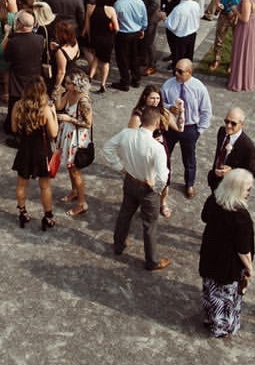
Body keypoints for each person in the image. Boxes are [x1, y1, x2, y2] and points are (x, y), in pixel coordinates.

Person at [104, 105, 171, 271]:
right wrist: (156, 187)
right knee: (149, 225)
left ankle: (118, 245)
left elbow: (107, 148)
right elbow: (163, 176)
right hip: (147, 189)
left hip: (130, 180)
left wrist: (120, 167)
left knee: (125, 214)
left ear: (141, 120)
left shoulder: (127, 133)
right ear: (156, 123)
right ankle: (152, 261)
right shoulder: (157, 148)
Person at [199, 168, 255, 339]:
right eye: (248, 189)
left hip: (210, 253)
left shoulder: (213, 199)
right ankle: (221, 328)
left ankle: (210, 317)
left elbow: (204, 217)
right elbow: (243, 250)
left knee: (211, 290)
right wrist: (250, 269)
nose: (250, 192)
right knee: (225, 298)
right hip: (227, 264)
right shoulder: (240, 216)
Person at [11, 80, 59, 231]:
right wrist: (55, 114)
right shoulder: (45, 110)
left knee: (21, 184)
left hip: (25, 150)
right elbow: (54, 133)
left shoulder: (18, 105)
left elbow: (13, 128)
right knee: (45, 186)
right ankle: (48, 216)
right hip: (42, 151)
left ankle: (23, 213)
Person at [162, 58, 213, 198]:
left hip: (190, 128)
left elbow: (206, 111)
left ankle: (189, 184)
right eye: (175, 70)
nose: (176, 73)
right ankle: (164, 181)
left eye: (180, 71)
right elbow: (161, 103)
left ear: (189, 72)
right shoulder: (168, 85)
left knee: (189, 158)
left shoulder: (199, 88)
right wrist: (169, 108)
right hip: (171, 126)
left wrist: (199, 130)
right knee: (164, 155)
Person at [128, 85, 180, 218]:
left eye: (158, 98)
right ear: (145, 97)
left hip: (162, 149)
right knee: (146, 178)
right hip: (145, 152)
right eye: (152, 98)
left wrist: (181, 113)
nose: (155, 101)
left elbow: (179, 128)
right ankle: (143, 202)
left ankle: (163, 203)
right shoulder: (138, 114)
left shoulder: (162, 111)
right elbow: (131, 138)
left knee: (164, 177)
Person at [3, 11, 47, 144]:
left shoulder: (13, 42)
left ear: (20, 25)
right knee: (33, 104)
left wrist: (7, 34)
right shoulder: (40, 39)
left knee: (15, 105)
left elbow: (6, 57)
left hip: (17, 79)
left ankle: (14, 130)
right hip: (33, 77)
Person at [55, 70, 93, 218]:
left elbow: (88, 123)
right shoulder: (69, 93)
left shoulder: (83, 101)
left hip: (77, 138)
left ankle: (82, 203)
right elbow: (59, 106)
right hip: (68, 135)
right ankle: (74, 192)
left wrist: (69, 119)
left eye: (68, 83)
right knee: (70, 168)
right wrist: (59, 92)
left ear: (75, 84)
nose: (65, 84)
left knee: (75, 170)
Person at [208, 0, 248, 71]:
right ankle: (216, 59)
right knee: (219, 38)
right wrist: (217, 3)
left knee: (237, 40)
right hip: (224, 12)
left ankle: (233, 62)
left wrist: (237, 11)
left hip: (237, 15)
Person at [208, 107, 255, 192]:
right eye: (226, 121)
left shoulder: (248, 146)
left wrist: (232, 171)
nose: (228, 126)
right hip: (215, 181)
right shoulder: (222, 131)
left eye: (233, 123)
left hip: (231, 188)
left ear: (242, 124)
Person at [84, 0, 117, 93]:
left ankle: (90, 77)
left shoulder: (90, 9)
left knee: (96, 58)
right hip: (107, 39)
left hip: (95, 38)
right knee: (106, 62)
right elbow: (116, 28)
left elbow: (87, 26)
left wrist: (88, 37)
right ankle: (103, 84)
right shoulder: (111, 10)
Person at [164, 0, 201, 72]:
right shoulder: (196, 5)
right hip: (192, 35)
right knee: (188, 58)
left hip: (181, 38)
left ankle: (178, 78)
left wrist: (164, 19)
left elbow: (171, 26)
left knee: (179, 60)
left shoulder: (178, 9)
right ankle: (188, 74)